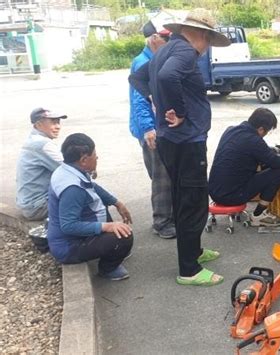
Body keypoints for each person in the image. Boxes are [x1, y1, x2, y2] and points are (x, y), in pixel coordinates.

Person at [129, 8, 231, 287]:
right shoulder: (184, 52)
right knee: (193, 202)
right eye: (208, 40)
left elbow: (137, 79)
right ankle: (189, 270)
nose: (206, 48)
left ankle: (195, 250)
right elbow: (166, 78)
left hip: (172, 141)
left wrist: (159, 102)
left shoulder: (164, 50)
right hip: (187, 142)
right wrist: (179, 111)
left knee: (183, 197)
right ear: (199, 34)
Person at [47, 133, 133, 281]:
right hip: (69, 247)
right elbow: (68, 226)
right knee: (125, 236)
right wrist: (106, 227)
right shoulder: (72, 189)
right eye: (94, 154)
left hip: (72, 237)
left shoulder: (69, 170)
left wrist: (117, 203)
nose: (97, 157)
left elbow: (92, 187)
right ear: (84, 160)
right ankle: (108, 269)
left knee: (101, 206)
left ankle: (110, 249)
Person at [129, 20, 175, 239]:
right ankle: (162, 222)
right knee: (161, 176)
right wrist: (149, 128)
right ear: (154, 39)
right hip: (152, 130)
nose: (168, 43)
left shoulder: (157, 58)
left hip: (162, 127)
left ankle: (170, 217)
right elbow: (139, 99)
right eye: (165, 39)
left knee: (167, 173)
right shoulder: (142, 62)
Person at [209, 108, 280, 226]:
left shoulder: (230, 130)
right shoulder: (254, 141)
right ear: (261, 129)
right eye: (266, 132)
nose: (264, 135)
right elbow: (275, 162)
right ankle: (258, 216)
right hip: (232, 196)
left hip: (214, 191)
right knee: (276, 173)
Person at [16, 107, 67, 220]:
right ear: (38, 125)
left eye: (58, 122)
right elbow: (71, 170)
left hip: (28, 204)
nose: (58, 126)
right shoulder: (42, 144)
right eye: (53, 123)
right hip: (37, 207)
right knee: (87, 198)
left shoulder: (33, 140)